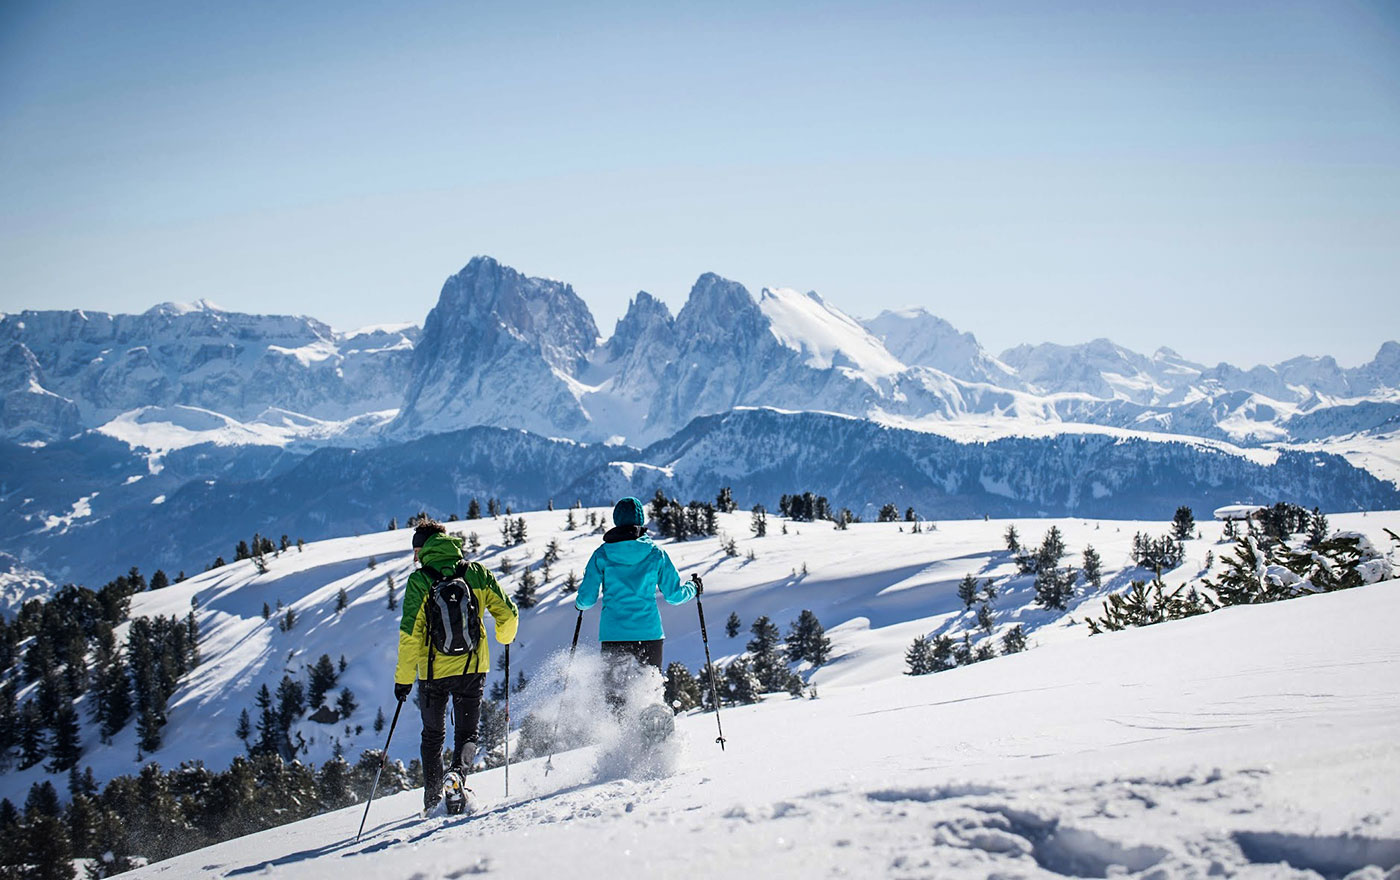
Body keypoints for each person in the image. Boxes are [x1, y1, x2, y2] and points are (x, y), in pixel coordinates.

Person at [394, 520, 518, 813]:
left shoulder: (419, 582)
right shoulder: (476, 573)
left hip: (431, 673)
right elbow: (509, 616)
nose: (415, 556)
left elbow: (410, 635)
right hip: (472, 669)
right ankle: (457, 777)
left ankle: (432, 799)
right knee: (467, 734)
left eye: (415, 550)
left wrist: (403, 680)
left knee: (433, 736)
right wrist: (504, 636)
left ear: (423, 549)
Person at [575, 497, 697, 711]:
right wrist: (694, 588)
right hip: (649, 634)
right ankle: (653, 736)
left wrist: (579, 604)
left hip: (614, 636)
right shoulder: (655, 553)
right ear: (640, 520)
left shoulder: (602, 554)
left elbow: (586, 600)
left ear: (616, 520)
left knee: (615, 701)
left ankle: (620, 740)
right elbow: (675, 596)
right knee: (649, 695)